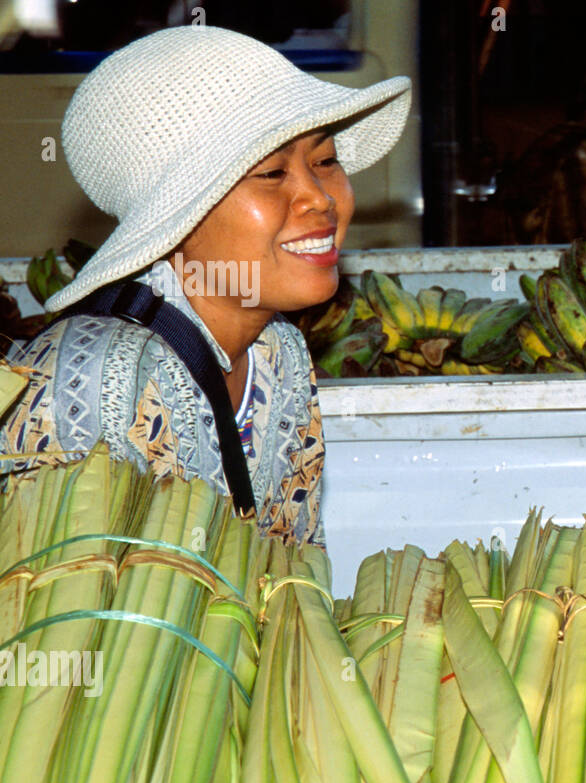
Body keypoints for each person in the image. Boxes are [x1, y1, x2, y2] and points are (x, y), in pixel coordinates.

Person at [0, 26, 411, 547]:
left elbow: (290, 579)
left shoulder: (278, 353)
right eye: (271, 173)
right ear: (177, 219)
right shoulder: (98, 381)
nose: (319, 199)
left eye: (325, 161)